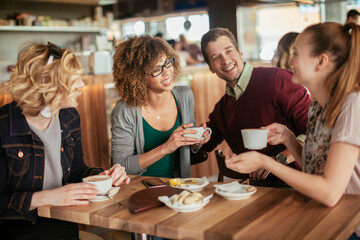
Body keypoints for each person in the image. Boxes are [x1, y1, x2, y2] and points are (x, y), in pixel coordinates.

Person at [226, 22, 360, 239]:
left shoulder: (352, 104)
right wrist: (288, 138)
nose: (289, 61)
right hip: (327, 219)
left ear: (321, 62)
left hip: (350, 227)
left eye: (296, 53)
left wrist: (265, 162)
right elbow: (313, 172)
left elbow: (329, 192)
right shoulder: (318, 104)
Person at [0, 42, 130, 239]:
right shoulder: (4, 126)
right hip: (17, 232)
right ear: (47, 84)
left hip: (62, 226)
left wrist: (103, 177)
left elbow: (76, 171)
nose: (82, 85)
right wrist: (45, 198)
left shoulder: (69, 117)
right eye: (74, 80)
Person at [199, 28, 311, 185]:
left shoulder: (278, 80)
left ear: (240, 52)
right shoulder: (222, 108)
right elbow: (204, 145)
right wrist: (196, 139)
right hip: (257, 190)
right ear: (211, 67)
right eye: (216, 57)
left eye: (229, 51)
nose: (225, 60)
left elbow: (312, 132)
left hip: (298, 186)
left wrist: (277, 161)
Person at [111, 35, 209, 179]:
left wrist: (196, 142)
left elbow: (187, 146)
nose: (167, 71)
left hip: (179, 188)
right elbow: (121, 165)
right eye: (157, 69)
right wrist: (166, 148)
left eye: (168, 62)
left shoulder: (184, 95)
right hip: (139, 191)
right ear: (138, 76)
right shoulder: (125, 111)